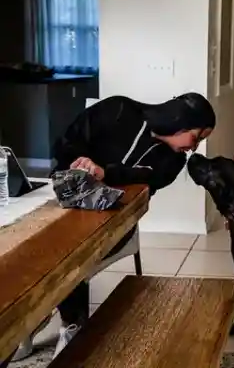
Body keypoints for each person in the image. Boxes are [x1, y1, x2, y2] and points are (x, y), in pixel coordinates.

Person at [12, 92, 216, 362]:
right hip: (65, 200)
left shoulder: (173, 162)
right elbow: (68, 141)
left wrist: (104, 172)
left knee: (68, 252)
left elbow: (142, 176)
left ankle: (70, 326)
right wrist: (79, 163)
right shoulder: (118, 109)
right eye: (196, 137)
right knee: (26, 246)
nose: (194, 148)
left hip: (115, 221)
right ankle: (23, 327)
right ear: (180, 122)